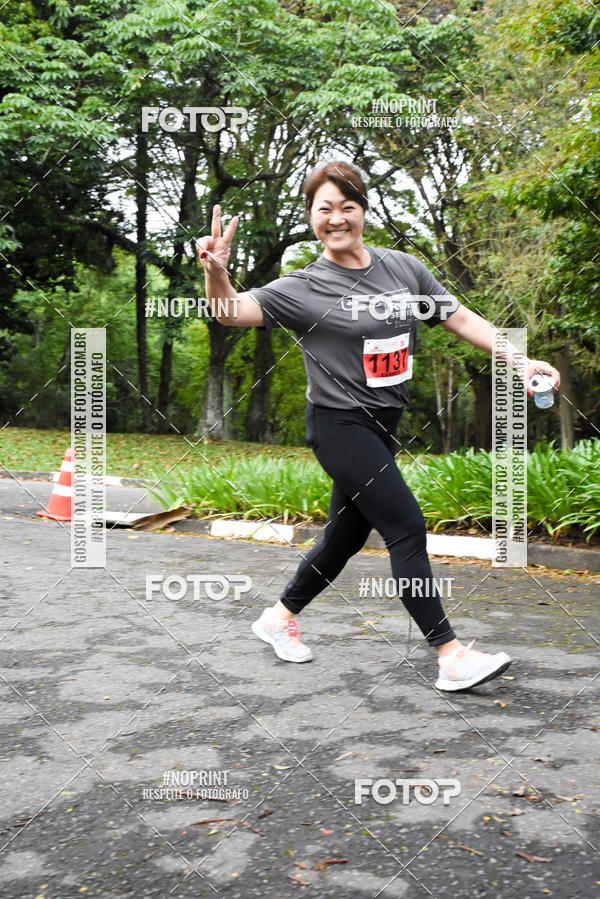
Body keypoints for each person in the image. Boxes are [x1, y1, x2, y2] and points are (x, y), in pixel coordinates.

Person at [196, 160, 560, 692]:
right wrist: (215, 269)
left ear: (363, 210)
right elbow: (230, 311)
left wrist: (520, 361)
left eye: (348, 207)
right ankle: (449, 655)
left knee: (344, 537)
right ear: (311, 217)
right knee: (406, 528)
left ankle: (277, 617)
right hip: (340, 426)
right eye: (325, 209)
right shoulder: (303, 287)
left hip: (383, 424)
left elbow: (458, 317)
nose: (337, 219)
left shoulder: (403, 270)